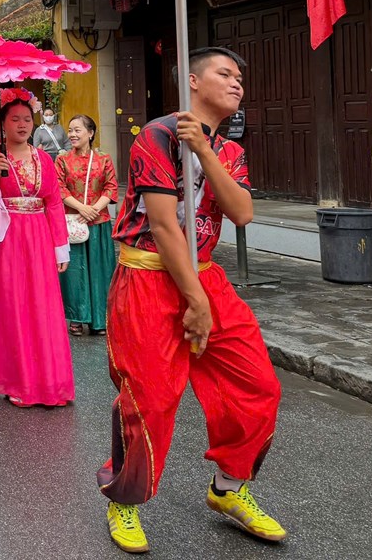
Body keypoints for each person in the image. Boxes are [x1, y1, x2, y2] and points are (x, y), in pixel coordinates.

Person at [99, 48, 285, 553]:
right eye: (225, 74)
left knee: (258, 385)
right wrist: (194, 301)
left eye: (240, 77)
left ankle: (228, 489)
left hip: (205, 277)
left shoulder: (227, 150)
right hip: (148, 280)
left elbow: (242, 212)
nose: (237, 83)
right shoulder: (157, 136)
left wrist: (205, 152)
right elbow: (162, 225)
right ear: (193, 82)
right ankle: (124, 500)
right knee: (151, 399)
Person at [0, 88, 74, 408]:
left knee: (41, 306)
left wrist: (61, 247)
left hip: (38, 239)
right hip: (4, 241)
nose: (22, 124)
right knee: (12, 305)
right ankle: (16, 378)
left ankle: (49, 380)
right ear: (2, 124)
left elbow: (54, 203)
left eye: (26, 119)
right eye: (15, 119)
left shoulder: (43, 158)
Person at [55, 114, 119, 336]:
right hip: (73, 222)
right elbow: (59, 188)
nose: (72, 134)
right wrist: (82, 208)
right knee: (75, 271)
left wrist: (94, 210)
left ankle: (99, 319)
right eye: (70, 130)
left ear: (90, 133)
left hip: (98, 222)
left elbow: (111, 187)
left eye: (77, 130)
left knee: (100, 270)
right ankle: (76, 316)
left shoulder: (104, 159)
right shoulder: (62, 160)